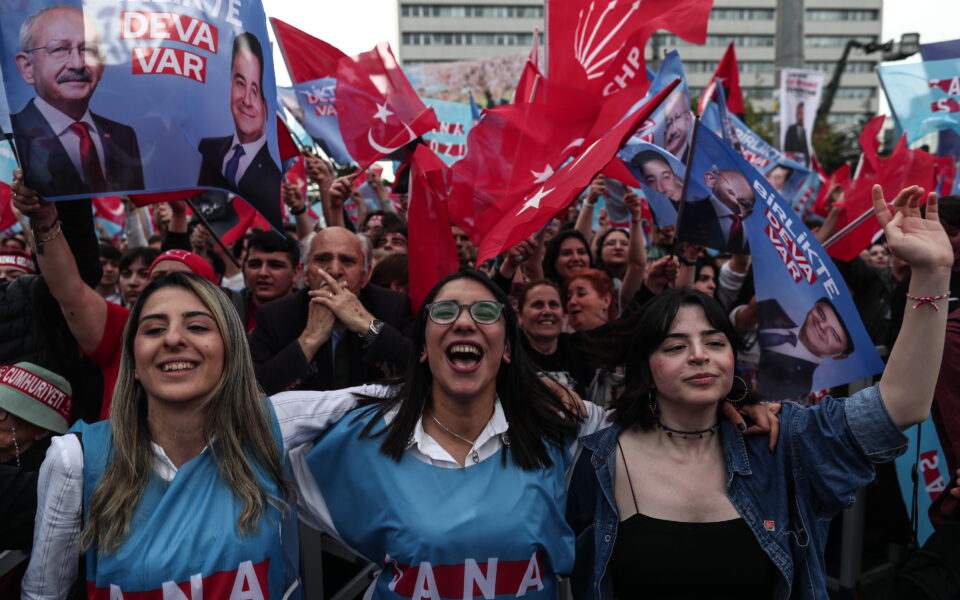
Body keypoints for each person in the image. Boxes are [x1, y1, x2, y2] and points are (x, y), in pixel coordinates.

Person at [567, 183, 954, 599]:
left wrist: (931, 273)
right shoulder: (599, 461)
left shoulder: (783, 443)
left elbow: (900, 405)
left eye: (715, 343)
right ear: (645, 365)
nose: (700, 356)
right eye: (676, 346)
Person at [21, 273, 300, 598]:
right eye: (154, 330)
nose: (173, 339)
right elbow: (43, 593)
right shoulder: (76, 459)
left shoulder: (277, 428)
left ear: (230, 352)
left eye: (197, 326)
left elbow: (371, 403)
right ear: (134, 362)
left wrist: (372, 329)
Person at [250, 227, 414, 394]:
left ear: (365, 275)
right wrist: (309, 340)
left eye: (347, 261)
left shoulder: (392, 305)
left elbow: (418, 367)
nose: (335, 271)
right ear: (306, 274)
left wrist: (368, 326)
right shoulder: (275, 315)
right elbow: (257, 387)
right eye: (322, 259)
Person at [11, 6, 144, 197]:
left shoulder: (123, 136)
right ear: (27, 67)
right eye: (59, 49)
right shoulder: (12, 137)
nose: (78, 63)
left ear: (103, 65)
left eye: (88, 50)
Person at [196, 33, 280, 207]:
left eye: (255, 91)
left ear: (265, 105)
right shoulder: (207, 149)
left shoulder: (274, 172)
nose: (247, 101)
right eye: (240, 83)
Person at [755, 297, 854, 400]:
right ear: (811, 307)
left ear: (841, 356)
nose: (821, 325)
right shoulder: (770, 307)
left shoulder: (800, 386)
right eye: (821, 313)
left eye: (834, 335)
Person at [518, 280, 592, 398]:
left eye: (553, 305)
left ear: (563, 314)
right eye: (537, 305)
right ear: (520, 316)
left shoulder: (578, 347)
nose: (547, 311)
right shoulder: (509, 350)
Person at [235, 230, 301, 333]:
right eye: (255, 265)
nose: (263, 273)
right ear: (244, 268)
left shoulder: (311, 315)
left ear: (296, 272)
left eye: (275, 265)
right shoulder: (227, 310)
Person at [680, 166, 755, 253]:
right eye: (731, 192)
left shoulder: (745, 232)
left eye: (745, 204)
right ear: (711, 179)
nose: (735, 201)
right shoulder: (691, 207)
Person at [661, 89, 693, 162]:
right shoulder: (660, 161)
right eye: (668, 123)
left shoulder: (695, 160)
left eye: (677, 117)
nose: (673, 131)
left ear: (687, 119)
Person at [783, 102, 810, 167]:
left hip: (809, 167)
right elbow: (787, 149)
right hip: (795, 165)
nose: (801, 116)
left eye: (803, 113)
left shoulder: (810, 130)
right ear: (796, 114)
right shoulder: (791, 129)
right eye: (799, 113)